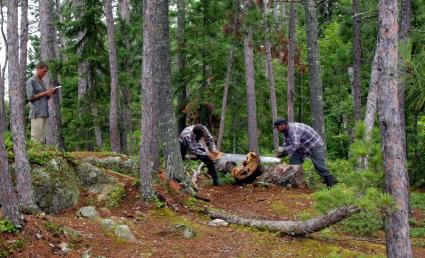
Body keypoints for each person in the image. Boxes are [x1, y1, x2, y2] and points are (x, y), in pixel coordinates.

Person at [274, 118, 336, 187]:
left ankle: (331, 185)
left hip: (314, 146)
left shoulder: (293, 130)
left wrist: (283, 150)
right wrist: (282, 153)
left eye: (277, 127)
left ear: (283, 125)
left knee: (319, 166)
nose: (277, 129)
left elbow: (295, 146)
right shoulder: (285, 133)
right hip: (302, 148)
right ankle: (293, 185)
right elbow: (287, 145)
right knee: (293, 165)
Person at [26, 62, 58, 143]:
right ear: (38, 69)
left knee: (42, 138)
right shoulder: (31, 81)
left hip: (44, 113)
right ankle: (34, 155)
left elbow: (43, 97)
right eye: (44, 71)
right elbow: (31, 97)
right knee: (35, 137)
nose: (45, 73)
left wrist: (50, 93)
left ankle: (41, 155)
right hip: (37, 113)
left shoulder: (42, 82)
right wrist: (45, 92)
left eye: (46, 72)